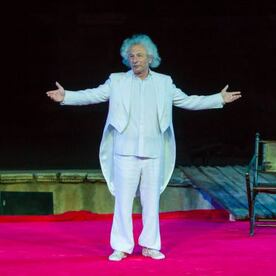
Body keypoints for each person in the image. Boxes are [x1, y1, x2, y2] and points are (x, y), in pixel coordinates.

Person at [46, 33, 241, 261]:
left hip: (153, 152)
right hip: (124, 152)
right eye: (131, 56)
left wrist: (218, 99)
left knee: (151, 202)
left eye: (139, 55)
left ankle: (150, 245)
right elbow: (93, 95)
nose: (135, 59)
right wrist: (65, 96)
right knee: (122, 201)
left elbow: (189, 101)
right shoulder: (116, 80)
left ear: (150, 58)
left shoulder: (164, 83)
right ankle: (121, 246)